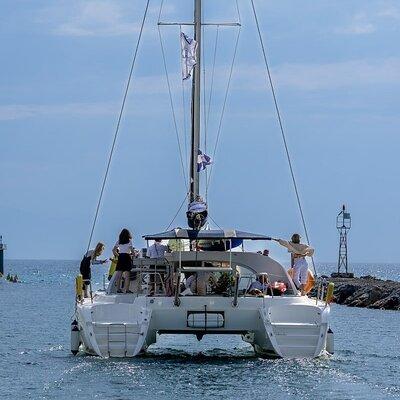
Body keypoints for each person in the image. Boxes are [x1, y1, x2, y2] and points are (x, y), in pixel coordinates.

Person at [113, 229, 135, 294]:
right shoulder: (129, 241)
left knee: (119, 275)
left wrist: (118, 255)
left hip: (121, 257)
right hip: (127, 257)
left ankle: (118, 289)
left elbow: (113, 250)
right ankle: (127, 290)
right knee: (127, 275)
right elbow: (132, 251)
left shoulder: (119, 241)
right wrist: (134, 255)